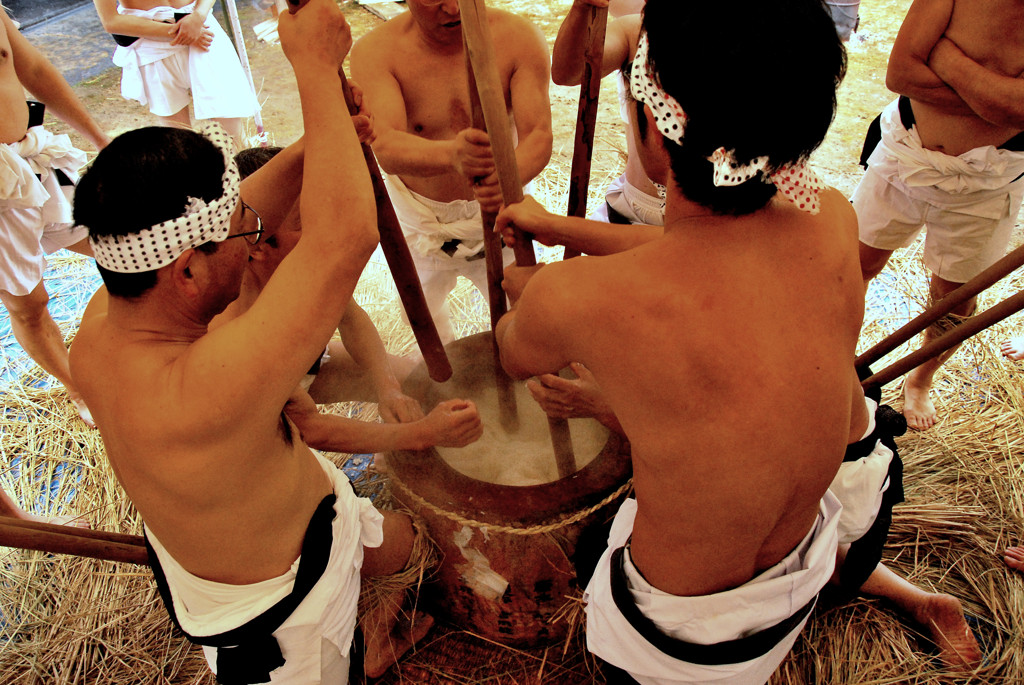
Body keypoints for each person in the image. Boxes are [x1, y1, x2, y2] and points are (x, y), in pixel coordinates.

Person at [496, 1, 861, 682]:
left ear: (655, 136)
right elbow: (703, 254)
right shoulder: (833, 220)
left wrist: (535, 293)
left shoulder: (582, 299)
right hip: (798, 572)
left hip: (675, 636)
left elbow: (514, 350)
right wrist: (564, 229)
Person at [69, 2, 429, 680]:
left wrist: (317, 140)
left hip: (301, 500)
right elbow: (343, 239)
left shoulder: (107, 313)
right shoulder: (205, 383)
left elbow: (238, 205)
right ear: (186, 269)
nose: (256, 235)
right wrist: (315, 70)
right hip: (286, 612)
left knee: (402, 542)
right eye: (245, 232)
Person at [216, 145, 483, 453]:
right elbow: (311, 429)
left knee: (416, 382)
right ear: (257, 246)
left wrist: (389, 389)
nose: (323, 227)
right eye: (303, 221)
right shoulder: (232, 328)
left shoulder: (304, 264)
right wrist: (421, 434)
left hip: (304, 370)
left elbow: (351, 317)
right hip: (253, 422)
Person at [852, 0, 1024, 430]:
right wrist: (994, 99)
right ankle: (839, 356)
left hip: (991, 181)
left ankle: (921, 379)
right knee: (853, 264)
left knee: (954, 300)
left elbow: (1016, 110)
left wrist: (943, 54)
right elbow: (901, 74)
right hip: (903, 151)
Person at [350, 0, 552, 343]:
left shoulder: (517, 37)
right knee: (424, 321)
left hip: (500, 213)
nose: (453, 8)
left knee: (527, 317)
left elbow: (538, 134)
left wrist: (507, 178)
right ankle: (447, 389)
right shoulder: (376, 51)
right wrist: (452, 155)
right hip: (420, 222)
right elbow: (385, 147)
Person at [1, 8, 109, 431]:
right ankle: (76, 385)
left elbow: (34, 68)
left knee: (108, 236)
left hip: (35, 154)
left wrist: (99, 137)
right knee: (29, 303)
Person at [552, 0, 665, 229]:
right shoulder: (635, 31)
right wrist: (581, 8)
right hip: (636, 213)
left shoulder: (747, 39)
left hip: (723, 224)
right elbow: (567, 72)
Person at [92, 0, 258, 146]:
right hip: (152, 45)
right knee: (178, 137)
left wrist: (198, 17)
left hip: (203, 30)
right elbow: (111, 21)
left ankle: (243, 179)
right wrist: (180, 32)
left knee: (232, 131)